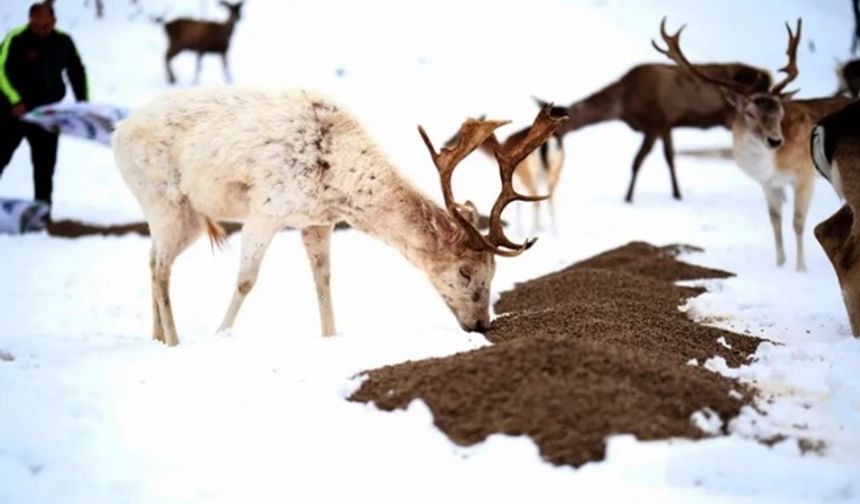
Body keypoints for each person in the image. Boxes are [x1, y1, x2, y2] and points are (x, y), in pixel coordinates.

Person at [0, 2, 88, 219]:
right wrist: (14, 101)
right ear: (30, 21)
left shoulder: (63, 42)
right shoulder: (16, 38)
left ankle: (42, 212)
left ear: (54, 21)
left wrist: (83, 103)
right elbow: (1, 72)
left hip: (48, 114)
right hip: (14, 113)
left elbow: (77, 72)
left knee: (45, 165)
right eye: (38, 27)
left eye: (47, 26)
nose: (43, 31)